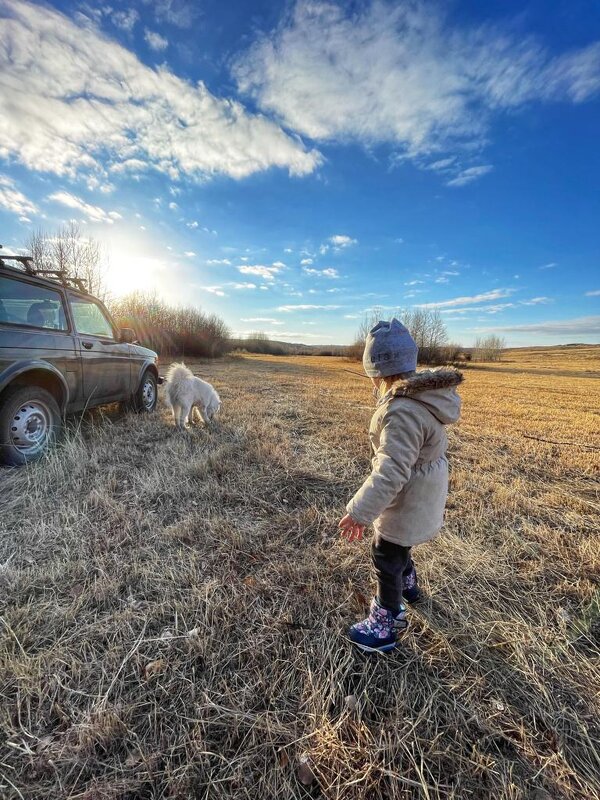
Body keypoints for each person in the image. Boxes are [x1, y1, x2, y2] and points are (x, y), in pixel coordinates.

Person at [338, 319, 463, 653]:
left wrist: (360, 511)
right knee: (399, 545)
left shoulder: (400, 411)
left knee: (385, 553)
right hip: (420, 491)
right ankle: (409, 585)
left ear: (377, 371)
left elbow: (391, 470)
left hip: (408, 495)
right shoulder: (417, 398)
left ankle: (386, 623)